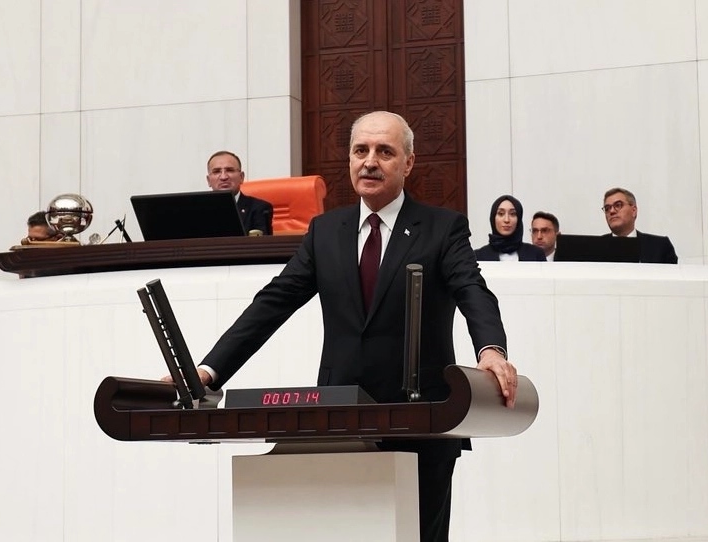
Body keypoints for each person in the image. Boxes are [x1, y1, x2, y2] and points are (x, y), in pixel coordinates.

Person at [189, 111, 517, 542]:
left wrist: (490, 350)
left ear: (408, 162)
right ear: (349, 159)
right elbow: (272, 304)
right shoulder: (325, 231)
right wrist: (208, 371)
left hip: (423, 421)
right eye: (360, 150)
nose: (370, 161)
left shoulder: (443, 227)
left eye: (385, 151)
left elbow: (472, 290)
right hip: (339, 422)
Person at [602, 187, 678, 264]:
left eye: (618, 205)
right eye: (607, 208)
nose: (611, 211)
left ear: (634, 211)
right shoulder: (597, 247)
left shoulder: (660, 246)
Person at [206, 150, 273, 235]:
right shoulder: (198, 210)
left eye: (230, 170)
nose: (223, 177)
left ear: (241, 177)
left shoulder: (259, 209)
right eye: (216, 171)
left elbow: (262, 242)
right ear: (208, 180)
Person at [474, 195, 547, 261]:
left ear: (519, 219)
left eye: (512, 214)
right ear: (493, 218)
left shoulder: (536, 254)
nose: (506, 220)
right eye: (501, 214)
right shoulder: (478, 256)